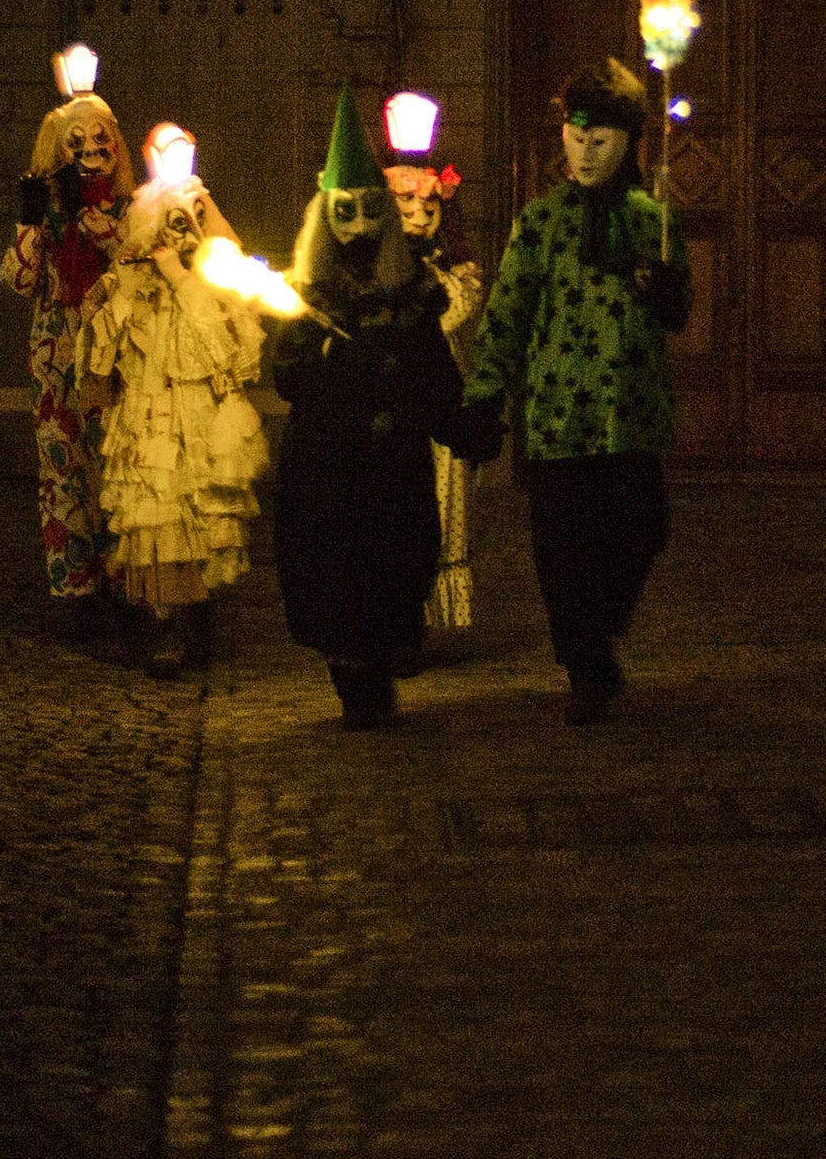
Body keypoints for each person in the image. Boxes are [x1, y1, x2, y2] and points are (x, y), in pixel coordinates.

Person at [460, 58, 690, 725]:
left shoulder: (653, 219)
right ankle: (585, 662)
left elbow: (682, 309)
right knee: (563, 550)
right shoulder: (540, 221)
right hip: (557, 416)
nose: (585, 152)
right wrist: (485, 394)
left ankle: (603, 630)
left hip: (630, 414)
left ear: (628, 142)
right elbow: (507, 312)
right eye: (575, 136)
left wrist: (667, 290)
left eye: (601, 140)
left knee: (641, 530)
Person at [265, 87, 486, 731]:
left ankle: (382, 662)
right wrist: (316, 349)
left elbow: (434, 377)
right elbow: (287, 378)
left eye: (369, 213)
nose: (359, 228)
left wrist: (464, 424)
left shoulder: (411, 293)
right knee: (332, 574)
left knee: (396, 571)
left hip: (393, 471)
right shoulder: (309, 297)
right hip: (329, 474)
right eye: (345, 213)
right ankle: (354, 682)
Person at [78, 123, 268, 679]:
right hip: (147, 406)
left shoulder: (208, 276)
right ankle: (156, 621)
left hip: (196, 409)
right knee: (151, 507)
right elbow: (104, 343)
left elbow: (223, 345)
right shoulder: (129, 276)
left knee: (199, 508)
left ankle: (195, 624)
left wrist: (181, 276)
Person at [0, 86, 132, 637]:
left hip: (112, 349)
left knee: (118, 464)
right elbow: (20, 279)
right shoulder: (48, 213)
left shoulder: (128, 207)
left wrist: (88, 215)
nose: (92, 151)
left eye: (104, 139)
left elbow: (130, 256)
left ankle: (127, 584)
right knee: (62, 472)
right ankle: (76, 592)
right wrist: (34, 221)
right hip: (55, 351)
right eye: (77, 142)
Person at [381, 102, 480, 659]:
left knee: (434, 504)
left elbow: (448, 311)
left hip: (433, 400)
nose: (418, 214)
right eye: (404, 202)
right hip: (382, 400)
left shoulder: (454, 274)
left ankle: (421, 618)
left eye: (428, 203)